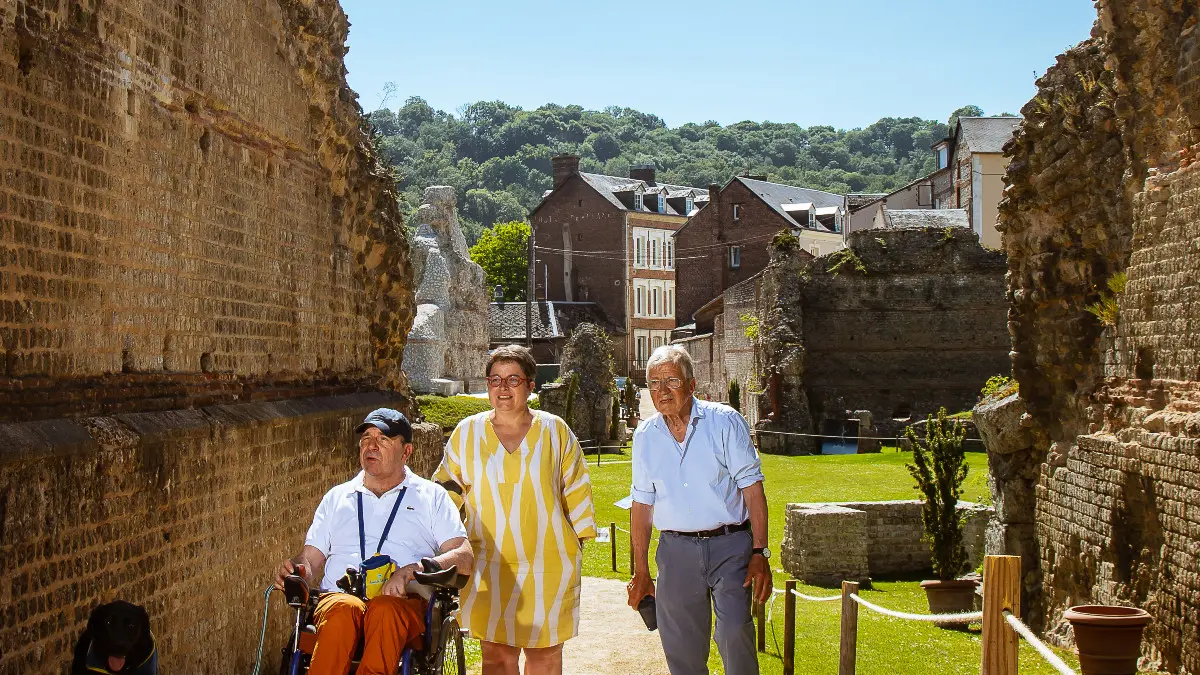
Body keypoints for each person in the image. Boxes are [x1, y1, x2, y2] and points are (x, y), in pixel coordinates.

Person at [434, 345, 596, 675]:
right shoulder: (467, 433)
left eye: (513, 379)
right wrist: (444, 542)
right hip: (489, 564)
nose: (503, 388)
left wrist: (575, 545)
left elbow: (577, 490)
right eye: (495, 379)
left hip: (547, 564)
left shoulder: (555, 431)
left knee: (545, 659)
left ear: (530, 385)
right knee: (497, 659)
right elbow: (444, 494)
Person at [274, 408, 474, 675]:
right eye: (366, 438)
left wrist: (413, 570)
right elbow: (310, 558)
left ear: (406, 452)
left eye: (383, 439)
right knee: (343, 609)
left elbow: (464, 556)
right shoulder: (337, 497)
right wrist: (296, 569)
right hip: (341, 598)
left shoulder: (431, 496)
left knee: (385, 610)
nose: (371, 446)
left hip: (402, 603)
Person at [626, 345, 772, 675]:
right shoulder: (645, 437)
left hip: (731, 546)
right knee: (682, 650)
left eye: (671, 381)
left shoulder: (725, 422)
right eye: (653, 383)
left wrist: (761, 552)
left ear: (692, 386)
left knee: (735, 632)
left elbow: (753, 488)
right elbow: (641, 504)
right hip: (676, 551)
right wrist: (641, 571)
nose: (661, 391)